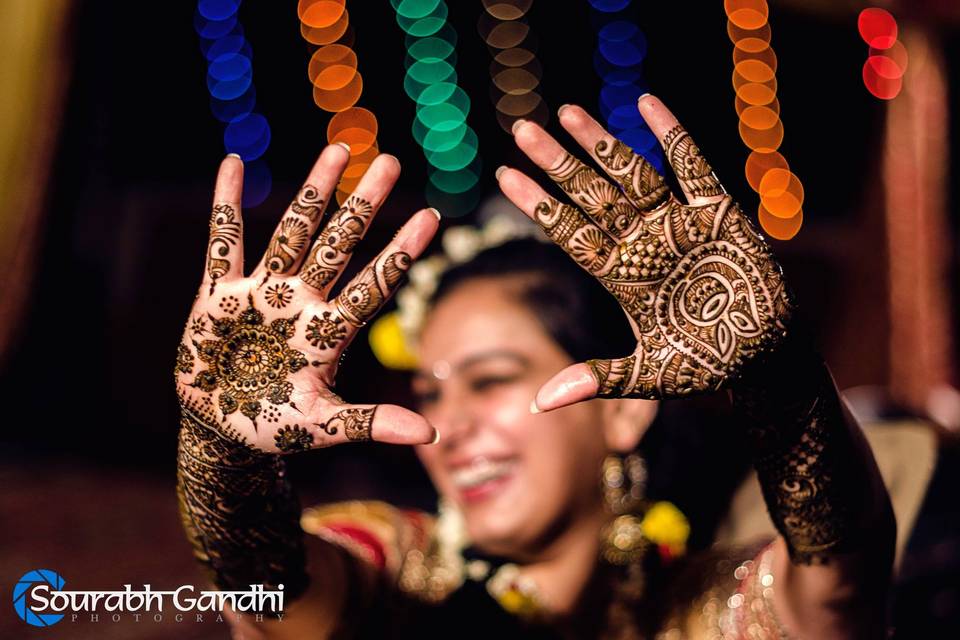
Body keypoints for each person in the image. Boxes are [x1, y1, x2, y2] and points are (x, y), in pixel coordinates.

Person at [174, 96, 895, 639]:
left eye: (491, 379)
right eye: (429, 390)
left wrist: (780, 378)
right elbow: (264, 585)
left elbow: (842, 576)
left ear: (622, 407)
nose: (447, 425)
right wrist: (221, 450)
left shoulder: (708, 608)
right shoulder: (395, 570)